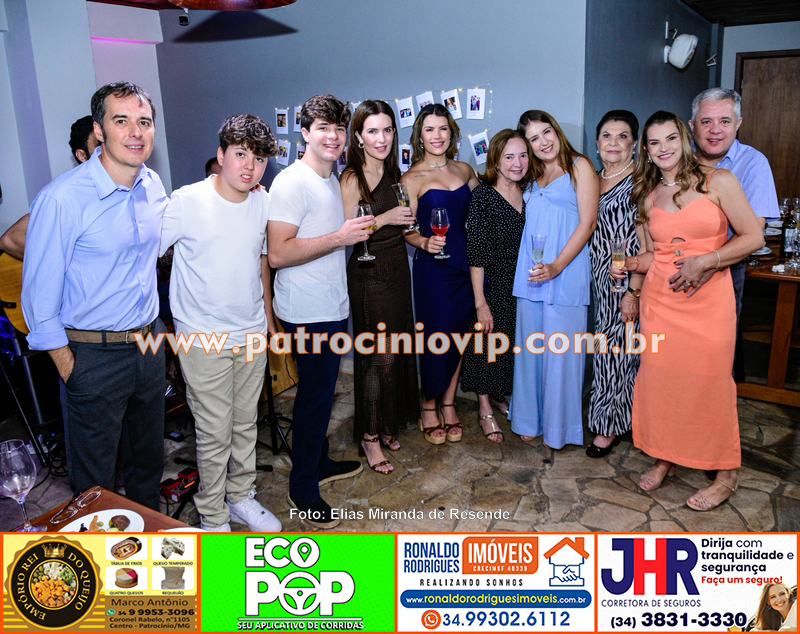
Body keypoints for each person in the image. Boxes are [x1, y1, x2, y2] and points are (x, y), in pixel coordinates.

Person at [21, 82, 168, 510]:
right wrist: (72, 370)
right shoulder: (62, 199)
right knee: (94, 489)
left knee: (147, 467)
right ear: (99, 131)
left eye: (144, 122)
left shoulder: (152, 183)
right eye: (121, 121)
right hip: (93, 357)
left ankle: (147, 545)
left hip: (149, 344)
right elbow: (39, 302)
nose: (136, 132)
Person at [627, 111, 763, 510]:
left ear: (684, 138)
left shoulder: (719, 181)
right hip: (661, 302)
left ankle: (726, 474)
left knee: (712, 385)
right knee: (663, 382)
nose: (664, 148)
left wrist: (707, 260)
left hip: (709, 302)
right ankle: (665, 456)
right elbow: (654, 256)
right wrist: (630, 267)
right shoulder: (648, 194)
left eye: (671, 138)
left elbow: (753, 236)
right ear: (646, 150)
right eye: (654, 142)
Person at [160, 114, 281, 532]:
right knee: (214, 433)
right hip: (202, 338)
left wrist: (267, 321)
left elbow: (261, 263)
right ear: (221, 154)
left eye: (259, 159)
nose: (250, 167)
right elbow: (142, 255)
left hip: (250, 333)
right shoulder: (187, 201)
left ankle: (241, 497)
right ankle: (213, 518)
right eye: (241, 154)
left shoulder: (263, 202)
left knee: (246, 424)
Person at [268, 94, 373, 529]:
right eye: (323, 128)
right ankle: (303, 489)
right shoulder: (290, 183)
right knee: (313, 400)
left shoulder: (328, 178)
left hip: (330, 305)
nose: (333, 136)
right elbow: (277, 254)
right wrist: (339, 238)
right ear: (305, 132)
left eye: (338, 128)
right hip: (306, 312)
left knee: (324, 394)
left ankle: (320, 462)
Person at [510, 110, 598, 449]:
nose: (543, 142)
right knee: (530, 352)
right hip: (531, 274)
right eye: (534, 138)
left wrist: (557, 266)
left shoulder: (580, 166)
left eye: (546, 132)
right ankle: (529, 419)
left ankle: (558, 429)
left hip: (565, 274)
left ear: (556, 130)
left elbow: (587, 224)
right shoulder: (531, 174)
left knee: (560, 356)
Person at [340, 100, 418, 474]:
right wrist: (386, 217)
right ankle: (369, 437)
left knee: (396, 353)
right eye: (373, 131)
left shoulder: (393, 171)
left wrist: (417, 231)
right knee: (377, 358)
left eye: (387, 130)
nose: (382, 138)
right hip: (369, 273)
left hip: (397, 267)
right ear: (358, 136)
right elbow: (350, 231)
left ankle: (386, 422)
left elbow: (405, 225)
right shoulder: (351, 177)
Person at [688, 88, 779, 381]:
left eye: (725, 121)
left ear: (738, 124)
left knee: (716, 352)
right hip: (673, 264)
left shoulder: (753, 163)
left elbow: (754, 231)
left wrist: (707, 262)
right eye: (706, 121)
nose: (715, 130)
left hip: (725, 268)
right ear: (692, 125)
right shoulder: (676, 157)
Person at [402, 104, 478, 444]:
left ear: (452, 133)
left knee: (459, 334)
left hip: (464, 264)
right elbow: (406, 231)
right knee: (437, 336)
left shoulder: (465, 170)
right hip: (433, 269)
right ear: (420, 136)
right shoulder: (411, 178)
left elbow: (485, 205)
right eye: (430, 129)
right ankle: (428, 404)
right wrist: (423, 242)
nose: (437, 135)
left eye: (443, 128)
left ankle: (448, 403)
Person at [460, 129, 532, 442]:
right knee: (487, 346)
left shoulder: (531, 193)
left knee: (510, 348)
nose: (517, 163)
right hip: (492, 285)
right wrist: (480, 303)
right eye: (509, 157)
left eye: (523, 155)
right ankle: (484, 408)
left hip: (524, 287)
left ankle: (500, 396)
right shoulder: (483, 197)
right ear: (496, 160)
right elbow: (476, 254)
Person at [586, 110, 641, 458]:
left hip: (623, 281)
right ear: (597, 143)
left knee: (613, 352)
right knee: (617, 351)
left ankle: (606, 427)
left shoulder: (641, 182)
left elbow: (646, 242)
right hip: (594, 279)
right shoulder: (592, 179)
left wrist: (633, 290)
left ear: (634, 143)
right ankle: (624, 419)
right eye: (607, 135)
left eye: (622, 136)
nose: (614, 143)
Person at [0, 116, 99, 261]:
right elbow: (11, 239)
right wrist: (72, 262)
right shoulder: (71, 193)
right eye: (99, 145)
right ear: (81, 155)